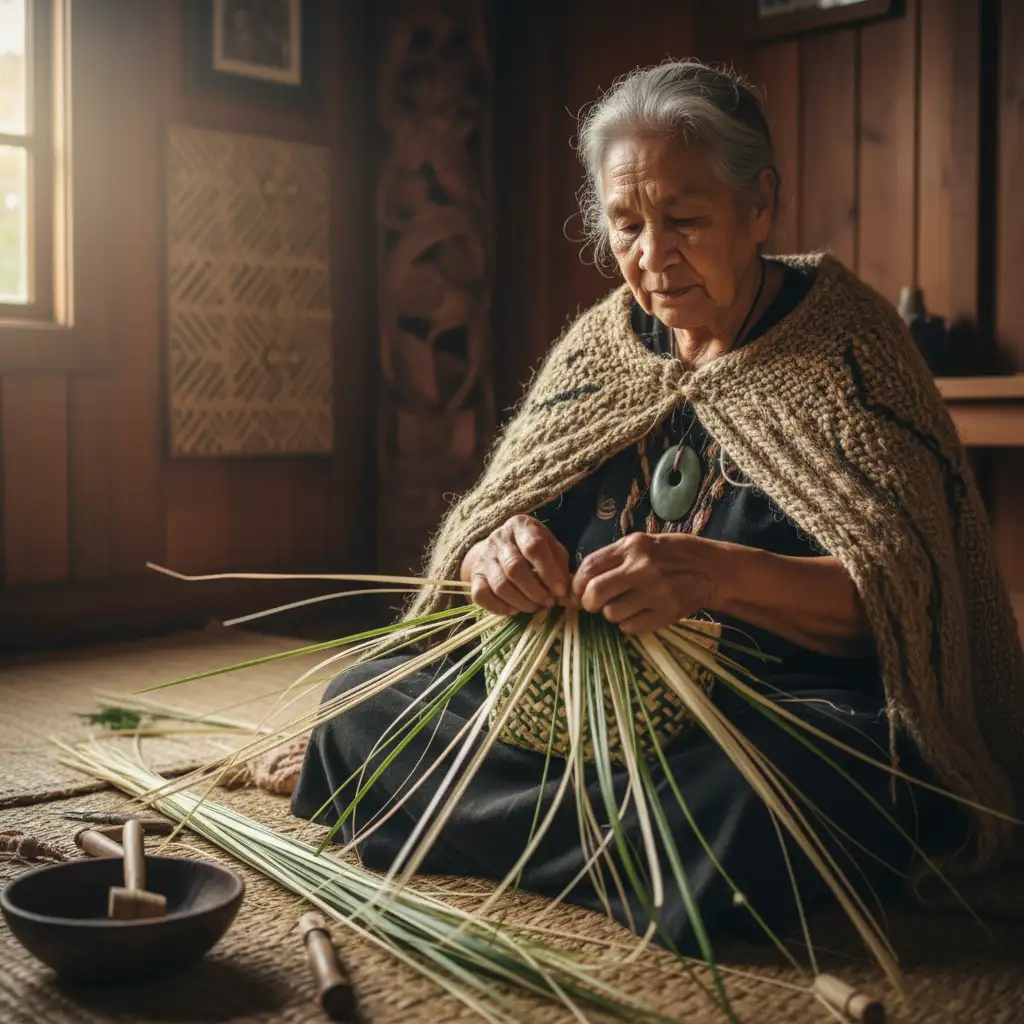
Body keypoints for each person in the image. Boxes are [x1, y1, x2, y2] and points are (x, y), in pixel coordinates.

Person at [291, 60, 1024, 952]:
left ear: (761, 208)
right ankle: (626, 865)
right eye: (626, 223)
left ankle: (496, 832)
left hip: (773, 714)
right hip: (564, 712)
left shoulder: (850, 351)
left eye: (685, 220)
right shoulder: (604, 346)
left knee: (750, 803)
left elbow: (915, 605)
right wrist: (496, 552)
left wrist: (717, 575)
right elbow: (494, 520)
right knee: (357, 708)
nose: (651, 255)